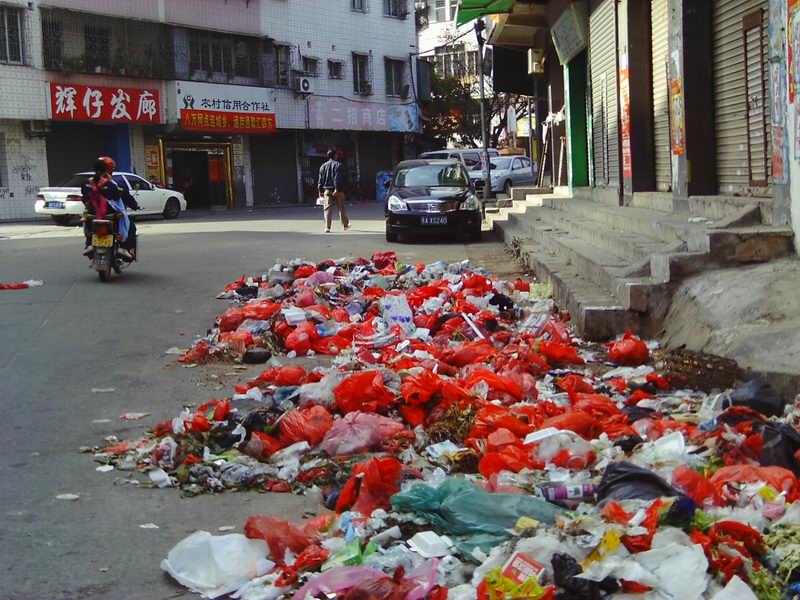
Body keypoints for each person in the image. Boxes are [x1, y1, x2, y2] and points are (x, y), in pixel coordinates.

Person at [81, 157, 139, 261]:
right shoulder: (115, 184)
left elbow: (84, 197)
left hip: (92, 215)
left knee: (89, 224)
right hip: (111, 216)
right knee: (131, 227)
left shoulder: (86, 183)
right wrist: (135, 206)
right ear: (110, 169)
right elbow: (121, 197)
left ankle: (89, 243)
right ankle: (124, 248)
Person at [317, 149, 350, 233]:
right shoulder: (338, 165)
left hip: (327, 190)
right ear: (335, 155)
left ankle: (327, 227)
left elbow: (320, 179)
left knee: (327, 209)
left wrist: (320, 190)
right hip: (337, 190)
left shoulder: (323, 166)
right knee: (341, 208)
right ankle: (345, 225)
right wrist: (337, 189)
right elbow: (337, 178)